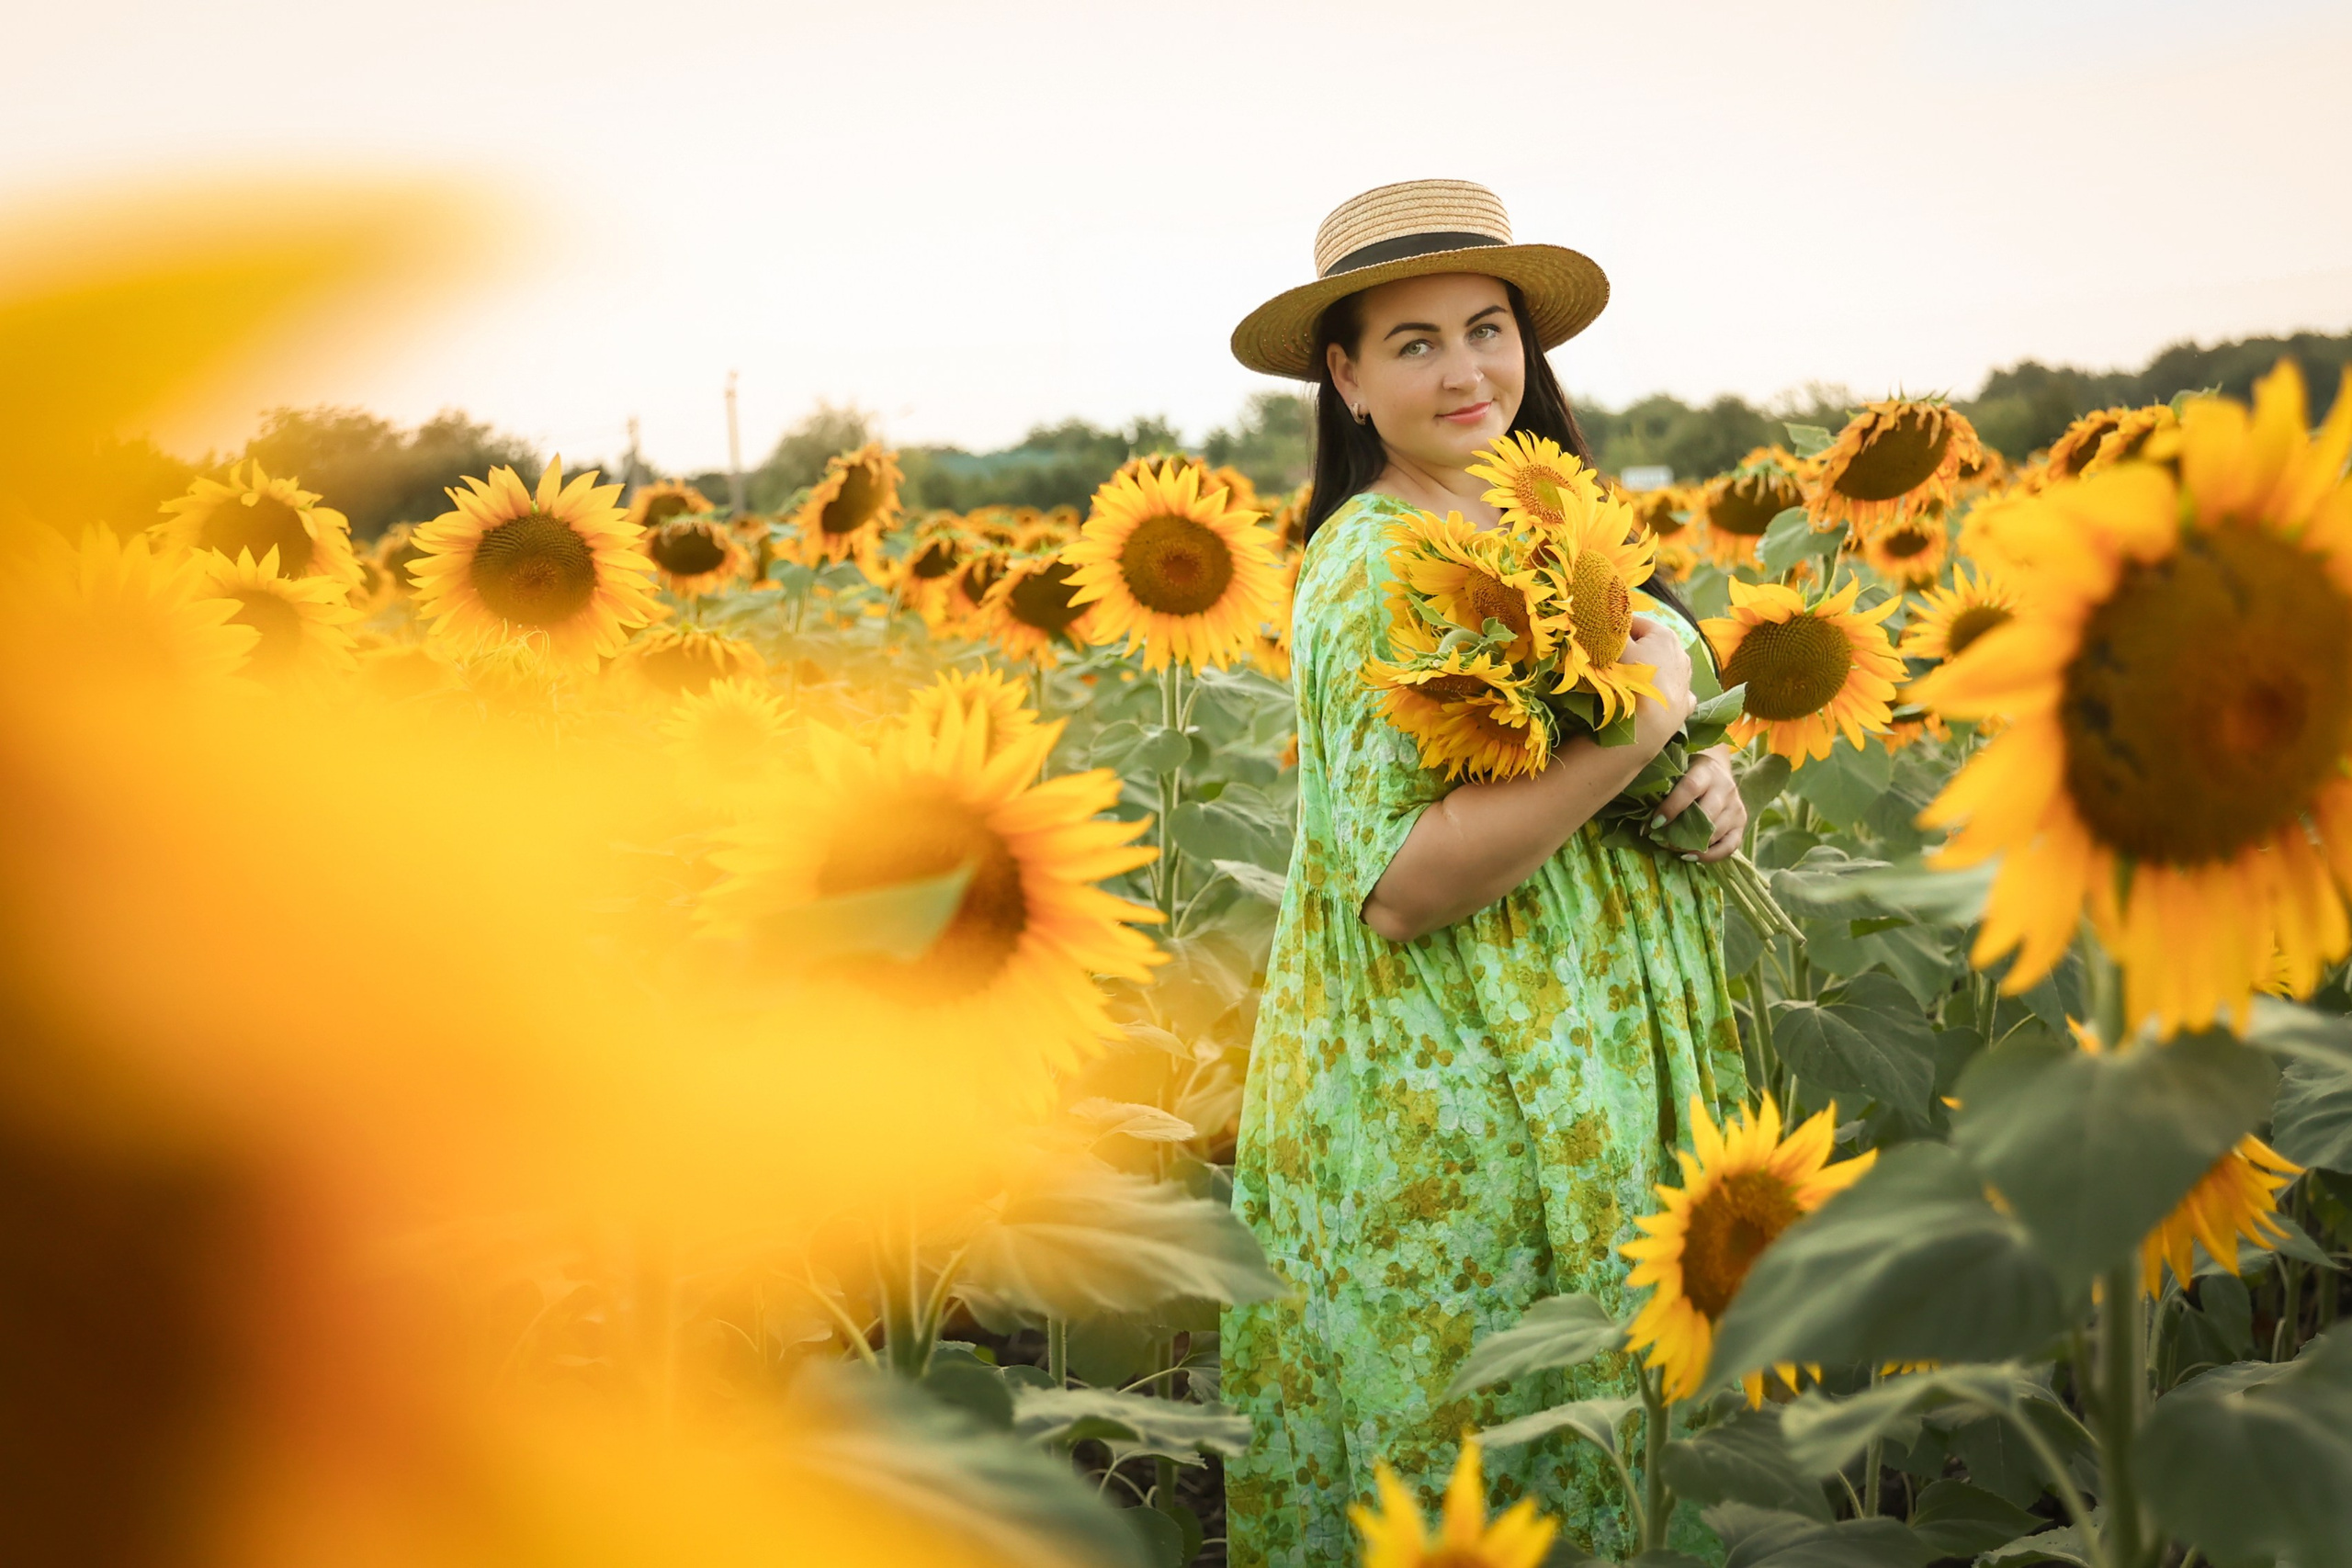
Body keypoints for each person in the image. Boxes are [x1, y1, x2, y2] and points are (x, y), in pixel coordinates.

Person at [1219, 178, 1749, 1565]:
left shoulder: (1547, 521)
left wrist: (1704, 775)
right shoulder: (1371, 564)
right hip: (1457, 1112)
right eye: (1413, 343)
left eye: (1487, 328)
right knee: (1486, 1481)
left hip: (1580, 1083)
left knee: (1601, 1467)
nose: (1465, 371)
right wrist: (1637, 724)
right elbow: (1400, 884)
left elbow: (1596, 781)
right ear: (1342, 378)